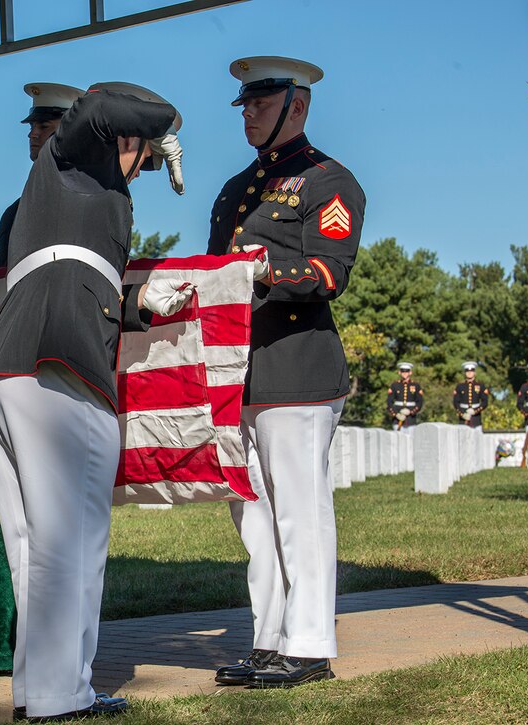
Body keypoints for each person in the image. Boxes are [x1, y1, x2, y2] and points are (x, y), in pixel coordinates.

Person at [0, 82, 187, 721]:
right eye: (141, 152)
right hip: (58, 364)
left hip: (11, 365)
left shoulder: (74, 198)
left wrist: (137, 307)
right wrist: (165, 122)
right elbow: (94, 105)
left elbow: (76, 279)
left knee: (33, 545)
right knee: (71, 540)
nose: (141, 166)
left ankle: (39, 691)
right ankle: (61, 697)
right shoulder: (63, 163)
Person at [206, 57, 365, 688]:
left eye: (260, 105)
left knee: (300, 511)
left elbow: (332, 272)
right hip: (241, 371)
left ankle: (309, 646)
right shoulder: (235, 187)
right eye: (244, 104)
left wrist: (265, 270)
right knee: (254, 518)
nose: (248, 114)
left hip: (298, 368)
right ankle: (269, 642)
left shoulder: (329, 181)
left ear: (296, 107)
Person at [0, 82, 85, 269]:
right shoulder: (15, 212)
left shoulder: (89, 203)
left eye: (43, 126)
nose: (32, 134)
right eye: (32, 126)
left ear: (70, 132)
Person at [387, 362, 423, 430]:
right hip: (397, 419)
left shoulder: (416, 385)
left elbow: (420, 402)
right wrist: (396, 414)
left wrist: (411, 412)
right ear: (399, 372)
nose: (405, 373)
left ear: (410, 373)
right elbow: (389, 402)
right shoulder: (394, 385)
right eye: (402, 371)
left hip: (411, 420)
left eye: (407, 371)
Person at [453, 361, 488, 428]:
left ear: (474, 373)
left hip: (476, 419)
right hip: (463, 419)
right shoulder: (460, 386)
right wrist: (462, 414)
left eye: (471, 371)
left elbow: (485, 402)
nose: (469, 373)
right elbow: (455, 403)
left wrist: (475, 411)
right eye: (467, 371)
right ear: (465, 373)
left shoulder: (480, 386)